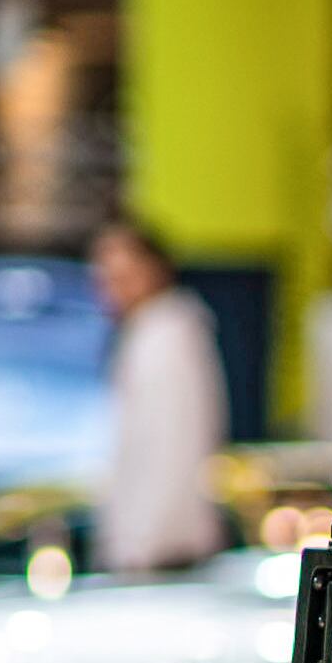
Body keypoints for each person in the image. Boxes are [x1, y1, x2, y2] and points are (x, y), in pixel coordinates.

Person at [85, 218, 227, 574]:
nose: (111, 290)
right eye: (105, 279)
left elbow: (169, 449)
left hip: (161, 555)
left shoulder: (165, 341)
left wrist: (140, 548)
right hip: (153, 549)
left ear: (155, 270)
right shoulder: (150, 334)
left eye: (122, 277)